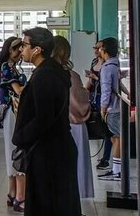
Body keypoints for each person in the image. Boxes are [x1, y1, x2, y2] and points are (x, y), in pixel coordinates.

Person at [13, 27, 83, 216]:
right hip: (59, 148)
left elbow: (43, 119)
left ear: (37, 49)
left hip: (49, 150)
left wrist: (20, 136)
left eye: (25, 44)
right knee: (59, 204)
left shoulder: (43, 77)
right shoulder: (56, 72)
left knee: (50, 206)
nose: (22, 49)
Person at [52, 37, 95, 200]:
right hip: (74, 126)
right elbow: (80, 102)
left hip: (54, 129)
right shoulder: (71, 76)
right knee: (76, 167)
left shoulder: (44, 75)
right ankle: (74, 204)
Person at [0, 37, 27, 212]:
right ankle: (19, 196)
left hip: (12, 112)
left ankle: (12, 193)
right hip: (13, 112)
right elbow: (17, 90)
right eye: (17, 49)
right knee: (16, 149)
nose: (20, 52)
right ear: (10, 50)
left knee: (12, 149)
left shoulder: (11, 67)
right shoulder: (7, 67)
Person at [97, 37, 123, 181]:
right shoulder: (116, 65)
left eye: (100, 48)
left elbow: (106, 90)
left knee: (117, 138)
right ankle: (116, 168)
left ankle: (117, 171)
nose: (99, 50)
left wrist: (103, 107)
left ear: (104, 50)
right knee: (114, 138)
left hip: (112, 109)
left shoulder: (107, 68)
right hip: (117, 106)